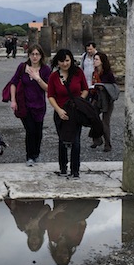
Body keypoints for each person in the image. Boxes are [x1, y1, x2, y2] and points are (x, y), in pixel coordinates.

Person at [47, 49, 89, 179]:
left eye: (67, 60)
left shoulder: (78, 73)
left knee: (76, 141)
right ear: (57, 62)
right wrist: (58, 110)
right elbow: (50, 95)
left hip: (75, 112)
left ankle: (75, 170)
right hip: (60, 112)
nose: (65, 64)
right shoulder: (53, 77)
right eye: (62, 61)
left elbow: (85, 89)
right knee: (62, 140)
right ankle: (63, 168)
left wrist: (79, 101)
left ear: (71, 60)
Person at [8, 44, 51, 166]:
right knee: (30, 130)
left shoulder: (45, 70)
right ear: (29, 55)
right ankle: (30, 156)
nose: (35, 56)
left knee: (38, 132)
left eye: (37, 54)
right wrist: (13, 100)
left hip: (39, 105)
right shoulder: (22, 67)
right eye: (32, 54)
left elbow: (48, 88)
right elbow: (13, 83)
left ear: (41, 55)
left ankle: (36, 153)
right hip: (25, 104)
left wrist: (37, 78)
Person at [46, 199, 100, 265]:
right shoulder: (76, 241)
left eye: (60, 256)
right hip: (76, 214)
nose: (64, 254)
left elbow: (49, 218)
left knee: (73, 207)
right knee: (89, 207)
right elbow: (83, 225)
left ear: (55, 254)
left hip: (61, 210)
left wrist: (57, 210)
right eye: (66, 257)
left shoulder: (52, 237)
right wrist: (77, 219)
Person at [89, 52, 118, 152]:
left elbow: (113, 87)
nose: (94, 61)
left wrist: (103, 86)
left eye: (96, 59)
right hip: (97, 98)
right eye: (94, 59)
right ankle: (97, 139)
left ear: (102, 61)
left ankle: (107, 144)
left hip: (107, 100)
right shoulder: (95, 73)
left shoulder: (108, 73)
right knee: (92, 118)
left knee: (105, 122)